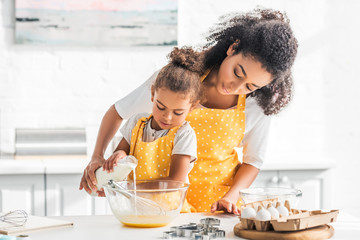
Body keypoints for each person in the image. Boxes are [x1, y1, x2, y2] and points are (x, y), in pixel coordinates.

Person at [79, 7, 298, 215]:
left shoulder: (257, 105)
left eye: (250, 86)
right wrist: (98, 157)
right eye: (237, 73)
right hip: (160, 205)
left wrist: (231, 198)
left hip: (215, 210)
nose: (235, 87)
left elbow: (253, 161)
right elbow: (117, 113)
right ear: (233, 48)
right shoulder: (179, 79)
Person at [99, 48, 201, 189]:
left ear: (192, 107)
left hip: (168, 209)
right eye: (160, 107)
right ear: (153, 94)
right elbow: (123, 152)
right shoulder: (136, 123)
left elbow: (175, 182)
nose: (167, 117)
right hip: (134, 207)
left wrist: (135, 189)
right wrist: (119, 156)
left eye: (178, 112)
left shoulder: (184, 134)